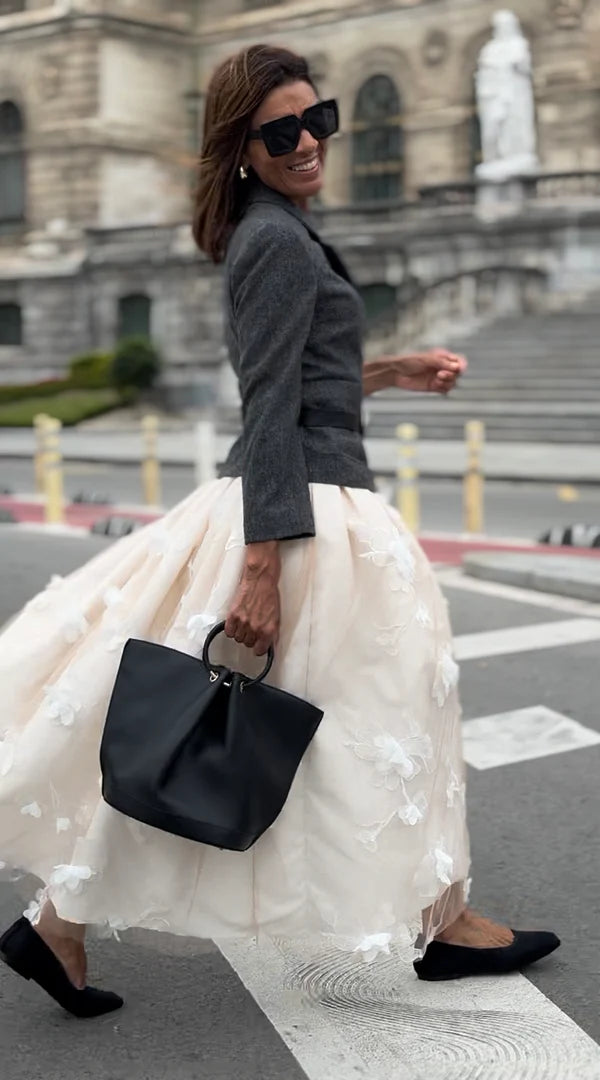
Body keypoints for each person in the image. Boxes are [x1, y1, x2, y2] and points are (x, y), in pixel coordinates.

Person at [0, 44, 559, 1018]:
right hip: (300, 513)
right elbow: (266, 404)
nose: (308, 143)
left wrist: (389, 370)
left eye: (319, 120)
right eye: (281, 132)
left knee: (304, 724)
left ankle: (62, 925)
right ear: (242, 149)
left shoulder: (285, 230)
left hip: (313, 499)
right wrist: (260, 567)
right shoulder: (271, 240)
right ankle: (444, 920)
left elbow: (304, 374)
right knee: (343, 715)